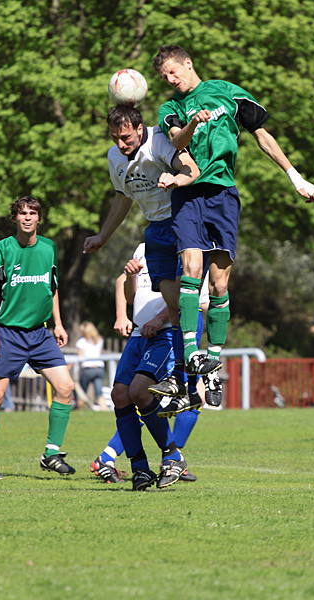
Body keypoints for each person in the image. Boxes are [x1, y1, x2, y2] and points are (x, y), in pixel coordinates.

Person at [151, 45, 314, 408]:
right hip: (188, 194)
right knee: (191, 267)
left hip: (223, 195)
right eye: (165, 77)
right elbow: (177, 139)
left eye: (173, 72)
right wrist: (194, 122)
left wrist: (296, 178)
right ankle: (194, 354)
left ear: (188, 63)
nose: (171, 80)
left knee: (220, 281)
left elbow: (262, 135)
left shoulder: (227, 91)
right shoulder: (171, 108)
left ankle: (212, 362)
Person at [83, 103, 202, 407]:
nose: (120, 144)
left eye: (125, 137)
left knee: (189, 300)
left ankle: (190, 377)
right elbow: (123, 198)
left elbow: (191, 169)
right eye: (114, 138)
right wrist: (103, 236)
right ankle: (181, 379)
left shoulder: (158, 139)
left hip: (184, 221)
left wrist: (176, 179)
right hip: (156, 231)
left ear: (140, 129)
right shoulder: (115, 157)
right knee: (174, 305)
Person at [0, 195, 77, 480]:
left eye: (32, 213)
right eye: (22, 213)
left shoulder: (49, 248)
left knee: (66, 387)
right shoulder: (1, 249)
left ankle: (51, 454)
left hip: (40, 334)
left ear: (39, 219)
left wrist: (58, 324)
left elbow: (52, 288)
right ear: (15, 219)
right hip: (7, 334)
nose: (28, 217)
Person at [92, 244, 207, 489]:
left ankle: (173, 456)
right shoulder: (144, 247)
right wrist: (131, 278)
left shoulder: (187, 248)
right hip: (138, 334)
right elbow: (132, 296)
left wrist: (159, 319)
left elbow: (189, 298)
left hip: (166, 333)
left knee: (140, 391)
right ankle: (140, 469)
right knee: (120, 395)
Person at [75, 321, 105, 407]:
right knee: (100, 394)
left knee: (81, 392)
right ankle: (104, 409)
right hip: (99, 368)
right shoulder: (99, 340)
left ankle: (78, 410)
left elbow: (80, 357)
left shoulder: (82, 342)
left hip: (87, 369)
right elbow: (101, 354)